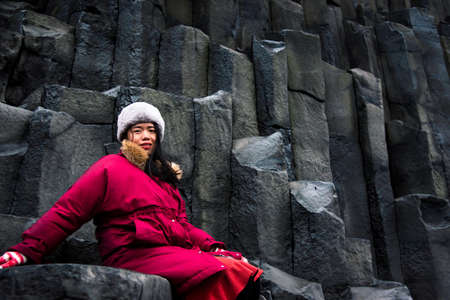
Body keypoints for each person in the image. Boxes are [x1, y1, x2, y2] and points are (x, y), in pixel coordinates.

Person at [0, 102, 263, 299]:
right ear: (126, 136)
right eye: (138, 130)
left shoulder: (164, 180)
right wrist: (24, 251)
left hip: (170, 253)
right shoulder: (110, 168)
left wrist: (214, 246)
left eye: (151, 130)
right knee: (221, 271)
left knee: (243, 269)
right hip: (130, 255)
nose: (146, 136)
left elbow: (183, 226)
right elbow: (68, 212)